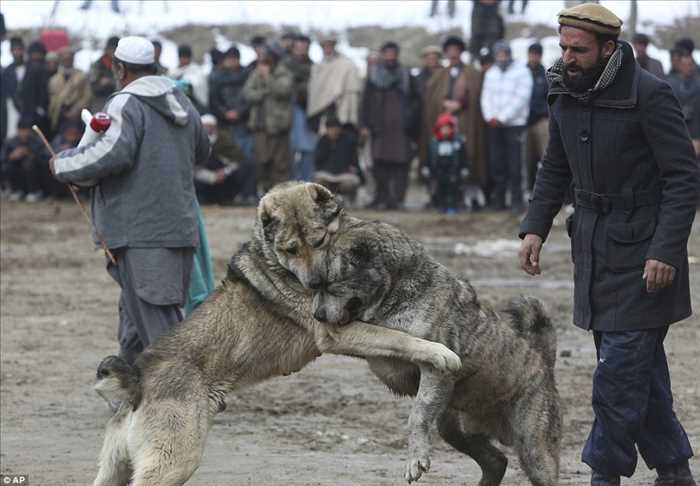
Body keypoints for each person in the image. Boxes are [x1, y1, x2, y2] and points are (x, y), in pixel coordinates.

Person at [518, 4, 699, 486]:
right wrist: (535, 226)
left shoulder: (650, 94)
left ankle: (605, 474)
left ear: (607, 48)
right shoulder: (563, 89)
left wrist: (665, 251)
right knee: (640, 372)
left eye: (578, 49)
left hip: (646, 255)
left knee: (617, 374)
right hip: (594, 251)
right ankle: (676, 470)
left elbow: (683, 180)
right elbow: (555, 166)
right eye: (563, 47)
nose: (568, 57)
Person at [50, 36, 209, 365]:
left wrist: (63, 163)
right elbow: (203, 149)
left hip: (140, 233)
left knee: (160, 327)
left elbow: (111, 153)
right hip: (178, 227)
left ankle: (192, 396)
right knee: (136, 321)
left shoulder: (126, 103)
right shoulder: (181, 100)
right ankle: (129, 393)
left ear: (118, 68)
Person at [422, 36, 486, 198]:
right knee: (441, 156)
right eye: (450, 50)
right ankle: (441, 195)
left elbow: (476, 95)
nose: (453, 53)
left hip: (465, 121)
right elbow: (432, 96)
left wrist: (461, 104)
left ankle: (467, 195)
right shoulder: (439, 74)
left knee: (467, 153)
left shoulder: (472, 72)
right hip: (443, 121)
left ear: (461, 51)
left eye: (456, 50)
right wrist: (444, 103)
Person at [361, 41, 415, 210]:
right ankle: (380, 198)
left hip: (401, 127)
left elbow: (416, 100)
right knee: (379, 164)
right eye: (387, 53)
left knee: (400, 164)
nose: (390, 56)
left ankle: (397, 199)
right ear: (383, 55)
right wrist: (364, 124)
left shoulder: (406, 75)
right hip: (379, 126)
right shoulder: (373, 76)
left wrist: (410, 119)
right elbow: (365, 102)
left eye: (393, 53)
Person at [481, 40, 532, 211]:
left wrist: (503, 117)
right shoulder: (492, 73)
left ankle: (517, 201)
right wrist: (490, 116)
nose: (501, 57)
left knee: (515, 164)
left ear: (509, 54)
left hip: (514, 125)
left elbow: (521, 98)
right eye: (498, 54)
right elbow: (485, 97)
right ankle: (499, 200)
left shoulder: (522, 71)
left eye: (504, 53)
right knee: (497, 163)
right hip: (494, 125)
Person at [243, 43, 293, 193]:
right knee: (262, 162)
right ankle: (265, 194)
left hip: (278, 126)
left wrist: (268, 78)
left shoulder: (284, 73)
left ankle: (280, 197)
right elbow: (247, 93)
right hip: (260, 126)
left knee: (280, 165)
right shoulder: (257, 72)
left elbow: (283, 90)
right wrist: (263, 92)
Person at [195, 114, 255, 205]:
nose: (207, 129)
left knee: (249, 164)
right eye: (204, 126)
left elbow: (237, 159)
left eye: (209, 126)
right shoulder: (195, 142)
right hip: (204, 179)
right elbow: (192, 167)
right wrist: (212, 177)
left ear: (215, 127)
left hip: (225, 178)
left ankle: (246, 197)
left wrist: (225, 172)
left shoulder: (224, 139)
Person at [307, 34, 362, 130]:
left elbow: (352, 87)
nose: (328, 49)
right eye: (325, 46)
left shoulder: (346, 64)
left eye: (330, 46)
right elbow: (315, 90)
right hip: (324, 111)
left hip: (340, 106)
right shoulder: (317, 68)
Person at [285, 34, 318, 181]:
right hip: (287, 113)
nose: (300, 50)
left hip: (307, 112)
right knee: (289, 152)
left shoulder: (314, 68)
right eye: (298, 47)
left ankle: (306, 183)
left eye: (304, 47)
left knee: (308, 150)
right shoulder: (284, 65)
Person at [422, 112, 470, 213]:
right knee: (440, 190)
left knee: (453, 190)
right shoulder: (434, 143)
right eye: (443, 128)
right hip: (439, 171)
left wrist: (465, 168)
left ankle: (453, 206)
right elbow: (428, 157)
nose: (445, 131)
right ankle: (441, 206)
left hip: (453, 171)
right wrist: (426, 167)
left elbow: (463, 157)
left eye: (448, 128)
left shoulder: (458, 142)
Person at [0, 117, 51, 201]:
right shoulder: (10, 142)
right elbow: (2, 158)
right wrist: (11, 156)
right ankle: (16, 190)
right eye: (22, 130)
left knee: (28, 163)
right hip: (18, 173)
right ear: (18, 130)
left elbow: (46, 157)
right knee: (8, 166)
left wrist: (29, 153)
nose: (24, 133)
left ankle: (35, 191)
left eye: (26, 130)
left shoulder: (37, 141)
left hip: (35, 173)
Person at [313, 117, 363, 200]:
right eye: (331, 129)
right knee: (318, 181)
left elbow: (354, 162)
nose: (333, 132)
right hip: (327, 174)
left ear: (340, 129)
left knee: (349, 184)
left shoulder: (349, 141)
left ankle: (345, 197)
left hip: (344, 175)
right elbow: (317, 161)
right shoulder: (323, 141)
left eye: (335, 129)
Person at [48, 47, 91, 135]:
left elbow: (87, 96)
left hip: (77, 116)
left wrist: (75, 110)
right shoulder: (54, 79)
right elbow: (52, 99)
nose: (67, 59)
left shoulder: (81, 76)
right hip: (60, 117)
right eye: (64, 57)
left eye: (69, 57)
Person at [526, 42, 549, 191]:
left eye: (537, 54)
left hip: (541, 120)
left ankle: (547, 190)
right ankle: (529, 189)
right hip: (524, 121)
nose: (534, 57)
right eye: (532, 53)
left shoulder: (546, 74)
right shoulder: (521, 72)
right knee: (527, 159)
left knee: (546, 157)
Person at [668, 52, 700, 158]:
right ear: (679, 65)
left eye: (690, 64)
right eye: (684, 64)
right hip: (676, 129)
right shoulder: (671, 83)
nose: (687, 67)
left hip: (694, 130)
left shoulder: (698, 84)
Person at [20, 41, 51, 137]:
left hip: (41, 112)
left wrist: (41, 107)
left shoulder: (43, 69)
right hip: (28, 111)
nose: (36, 56)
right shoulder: (29, 69)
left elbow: (44, 91)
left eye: (38, 54)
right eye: (34, 54)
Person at [170, 44, 208, 111]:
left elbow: (193, 87)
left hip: (194, 107)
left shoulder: (196, 71)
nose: (184, 59)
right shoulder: (173, 72)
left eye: (186, 57)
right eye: (182, 57)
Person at [88, 36, 119, 113]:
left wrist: (110, 82)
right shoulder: (98, 64)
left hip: (118, 99)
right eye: (111, 49)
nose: (113, 52)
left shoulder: (122, 65)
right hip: (100, 99)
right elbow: (91, 85)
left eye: (116, 49)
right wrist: (101, 84)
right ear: (107, 49)